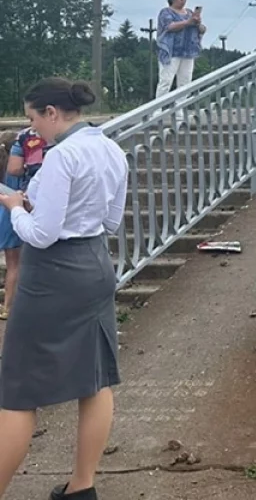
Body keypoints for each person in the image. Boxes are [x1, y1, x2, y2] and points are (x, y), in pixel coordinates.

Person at [0, 79, 128, 500]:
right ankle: (82, 486)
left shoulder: (61, 157)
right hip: (93, 265)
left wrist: (16, 208)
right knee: (94, 379)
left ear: (52, 113)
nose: (33, 128)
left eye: (34, 118)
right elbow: (111, 222)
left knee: (19, 390)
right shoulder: (110, 149)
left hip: (52, 276)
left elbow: (41, 234)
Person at [0, 128, 49, 321]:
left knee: (11, 262)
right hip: (15, 215)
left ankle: (7, 304)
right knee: (16, 265)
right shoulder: (21, 174)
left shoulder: (4, 169)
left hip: (5, 217)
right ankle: (9, 306)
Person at [155, 0, 205, 98]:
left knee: (185, 82)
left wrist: (197, 23)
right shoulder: (166, 12)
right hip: (171, 51)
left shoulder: (189, 13)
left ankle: (180, 110)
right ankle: (157, 111)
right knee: (166, 81)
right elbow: (170, 27)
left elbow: (202, 30)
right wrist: (188, 22)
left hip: (188, 52)